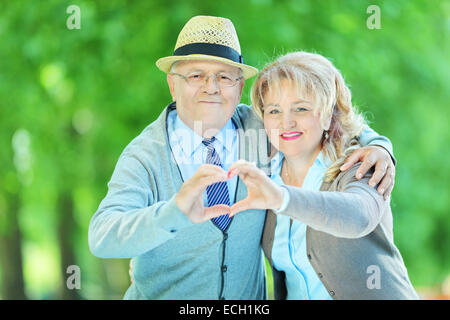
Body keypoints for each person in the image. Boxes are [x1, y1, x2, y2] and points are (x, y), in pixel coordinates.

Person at [88, 15, 396, 300]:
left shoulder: (261, 128)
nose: (212, 87)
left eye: (225, 77)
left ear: (239, 88)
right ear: (172, 84)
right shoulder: (146, 154)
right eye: (196, 75)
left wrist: (379, 146)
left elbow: (319, 117)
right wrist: (172, 213)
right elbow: (103, 235)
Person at [227, 51, 418, 299]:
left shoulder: (358, 163)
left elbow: (358, 216)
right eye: (274, 111)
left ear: (328, 115)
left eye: (301, 108)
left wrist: (282, 199)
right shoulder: (266, 173)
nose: (286, 122)